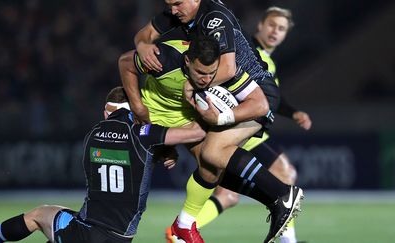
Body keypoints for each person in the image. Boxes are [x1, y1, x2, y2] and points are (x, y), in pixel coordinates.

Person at [120, 34, 303, 243]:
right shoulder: (165, 59)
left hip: (188, 121)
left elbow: (260, 105)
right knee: (125, 184)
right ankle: (278, 196)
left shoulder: (226, 69)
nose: (206, 80)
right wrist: (138, 108)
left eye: (211, 73)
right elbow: (126, 62)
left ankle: (185, 225)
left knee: (211, 166)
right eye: (199, 72)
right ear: (187, 61)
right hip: (150, 119)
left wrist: (222, 118)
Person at [0, 86, 207, 243]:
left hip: (87, 233)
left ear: (106, 113)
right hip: (120, 237)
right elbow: (195, 132)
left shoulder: (93, 134)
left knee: (39, 215)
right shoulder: (144, 134)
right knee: (58, 214)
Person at [193, 7, 312, 243]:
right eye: (271, 25)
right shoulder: (248, 52)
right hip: (240, 127)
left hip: (241, 126)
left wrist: (293, 112)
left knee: (226, 193)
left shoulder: (265, 58)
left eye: (281, 28)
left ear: (287, 33)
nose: (274, 32)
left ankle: (183, 228)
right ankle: (182, 229)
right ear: (260, 25)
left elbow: (272, 97)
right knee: (284, 174)